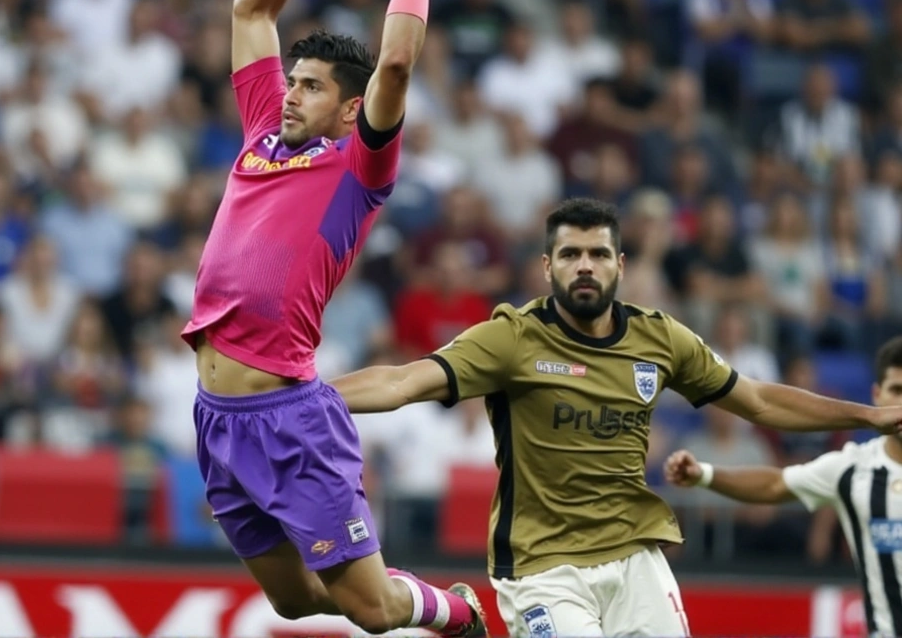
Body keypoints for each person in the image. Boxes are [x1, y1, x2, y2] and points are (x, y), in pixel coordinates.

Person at [330, 197, 902, 637]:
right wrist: (299, 398)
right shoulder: (513, 338)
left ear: (620, 265)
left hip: (634, 558)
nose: (586, 266)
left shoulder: (659, 338)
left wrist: (870, 415)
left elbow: (756, 400)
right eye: (572, 255)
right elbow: (403, 381)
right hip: (543, 569)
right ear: (547, 265)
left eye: (599, 254)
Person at [180, 0, 485, 635]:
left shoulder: (358, 171)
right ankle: (413, 595)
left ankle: (461, 613)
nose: (290, 95)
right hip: (216, 419)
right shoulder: (262, 133)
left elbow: (399, 64)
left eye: (312, 87)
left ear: (351, 110)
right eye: (292, 80)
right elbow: (250, 9)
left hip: (290, 422)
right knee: (291, 601)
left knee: (372, 613)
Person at [665, 336, 902, 637]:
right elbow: (776, 484)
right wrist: (704, 475)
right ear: (877, 395)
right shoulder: (852, 469)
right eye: (897, 390)